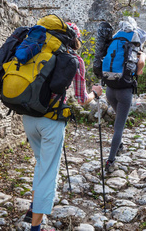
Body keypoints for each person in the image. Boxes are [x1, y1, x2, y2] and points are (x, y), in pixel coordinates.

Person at [23, 20, 102, 231]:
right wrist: (95, 93)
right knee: (49, 171)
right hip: (50, 122)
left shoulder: (34, 51)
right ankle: (35, 227)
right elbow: (81, 98)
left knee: (41, 163)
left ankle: (33, 208)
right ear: (73, 39)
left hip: (28, 116)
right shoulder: (73, 60)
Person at [104, 19, 146, 173]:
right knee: (119, 127)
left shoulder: (116, 40)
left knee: (118, 119)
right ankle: (110, 161)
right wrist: (138, 71)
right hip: (124, 91)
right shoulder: (136, 46)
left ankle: (120, 146)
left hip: (110, 88)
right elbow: (141, 63)